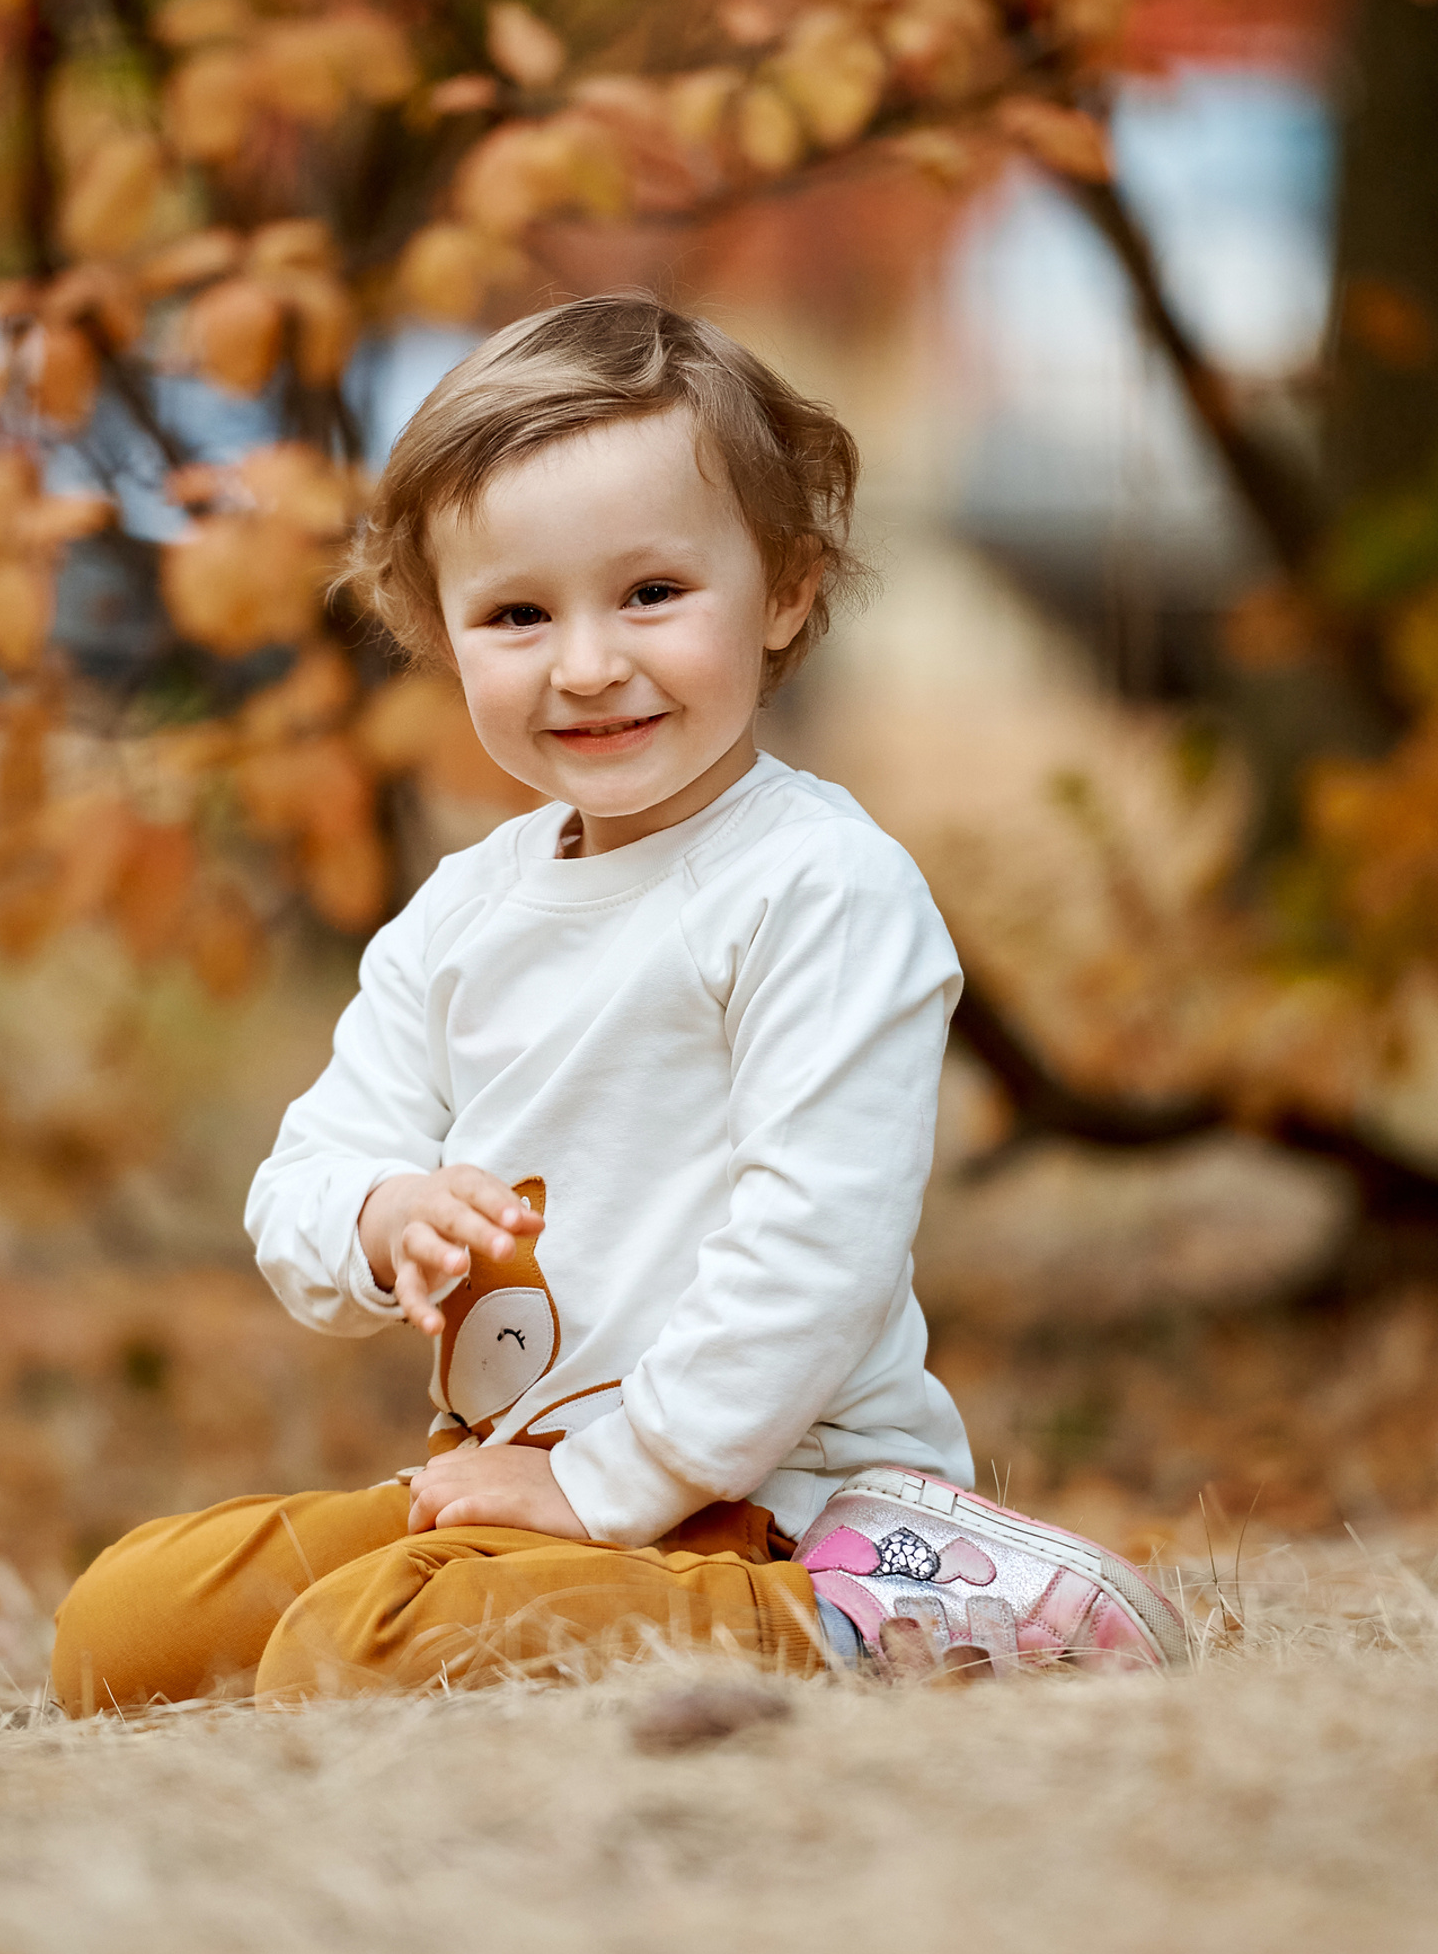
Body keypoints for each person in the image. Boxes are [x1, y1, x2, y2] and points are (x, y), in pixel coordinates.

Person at [50, 294, 977, 1713]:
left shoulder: (818, 887)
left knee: (347, 1654)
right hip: (524, 1484)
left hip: (789, 1499)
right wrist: (377, 1217)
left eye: (653, 593)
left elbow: (818, 1252)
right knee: (121, 1633)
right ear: (439, 634)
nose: (588, 663)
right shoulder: (464, 915)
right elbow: (306, 1176)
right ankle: (499, 1574)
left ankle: (887, 1622)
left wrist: (617, 1483)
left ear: (787, 588)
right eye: (519, 614)